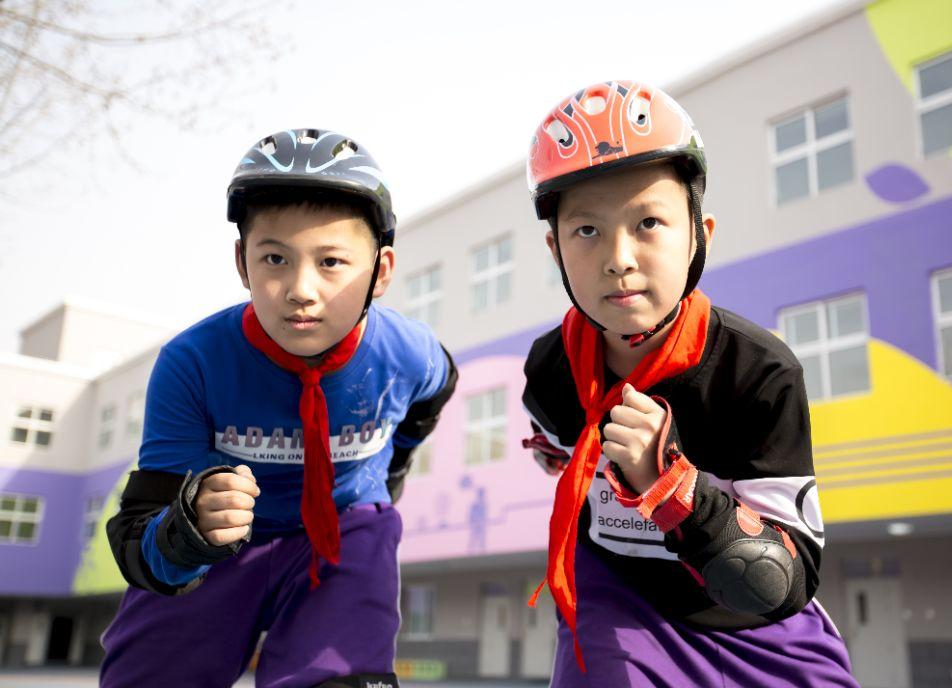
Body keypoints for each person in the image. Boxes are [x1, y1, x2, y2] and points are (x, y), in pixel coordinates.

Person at [520, 82, 858, 687]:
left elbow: (786, 579)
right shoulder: (549, 368)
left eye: (649, 222)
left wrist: (671, 485)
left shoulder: (758, 372)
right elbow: (551, 443)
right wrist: (558, 455)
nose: (619, 258)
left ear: (701, 232)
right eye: (587, 230)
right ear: (555, 249)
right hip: (620, 603)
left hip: (756, 627)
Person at [100, 128, 457, 688]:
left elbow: (433, 395)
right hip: (219, 546)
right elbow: (141, 533)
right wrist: (189, 529)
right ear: (242, 264)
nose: (300, 289)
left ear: (381, 272)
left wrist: (392, 471)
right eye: (274, 258)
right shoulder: (192, 363)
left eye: (331, 261)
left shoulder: (410, 353)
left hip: (344, 530)